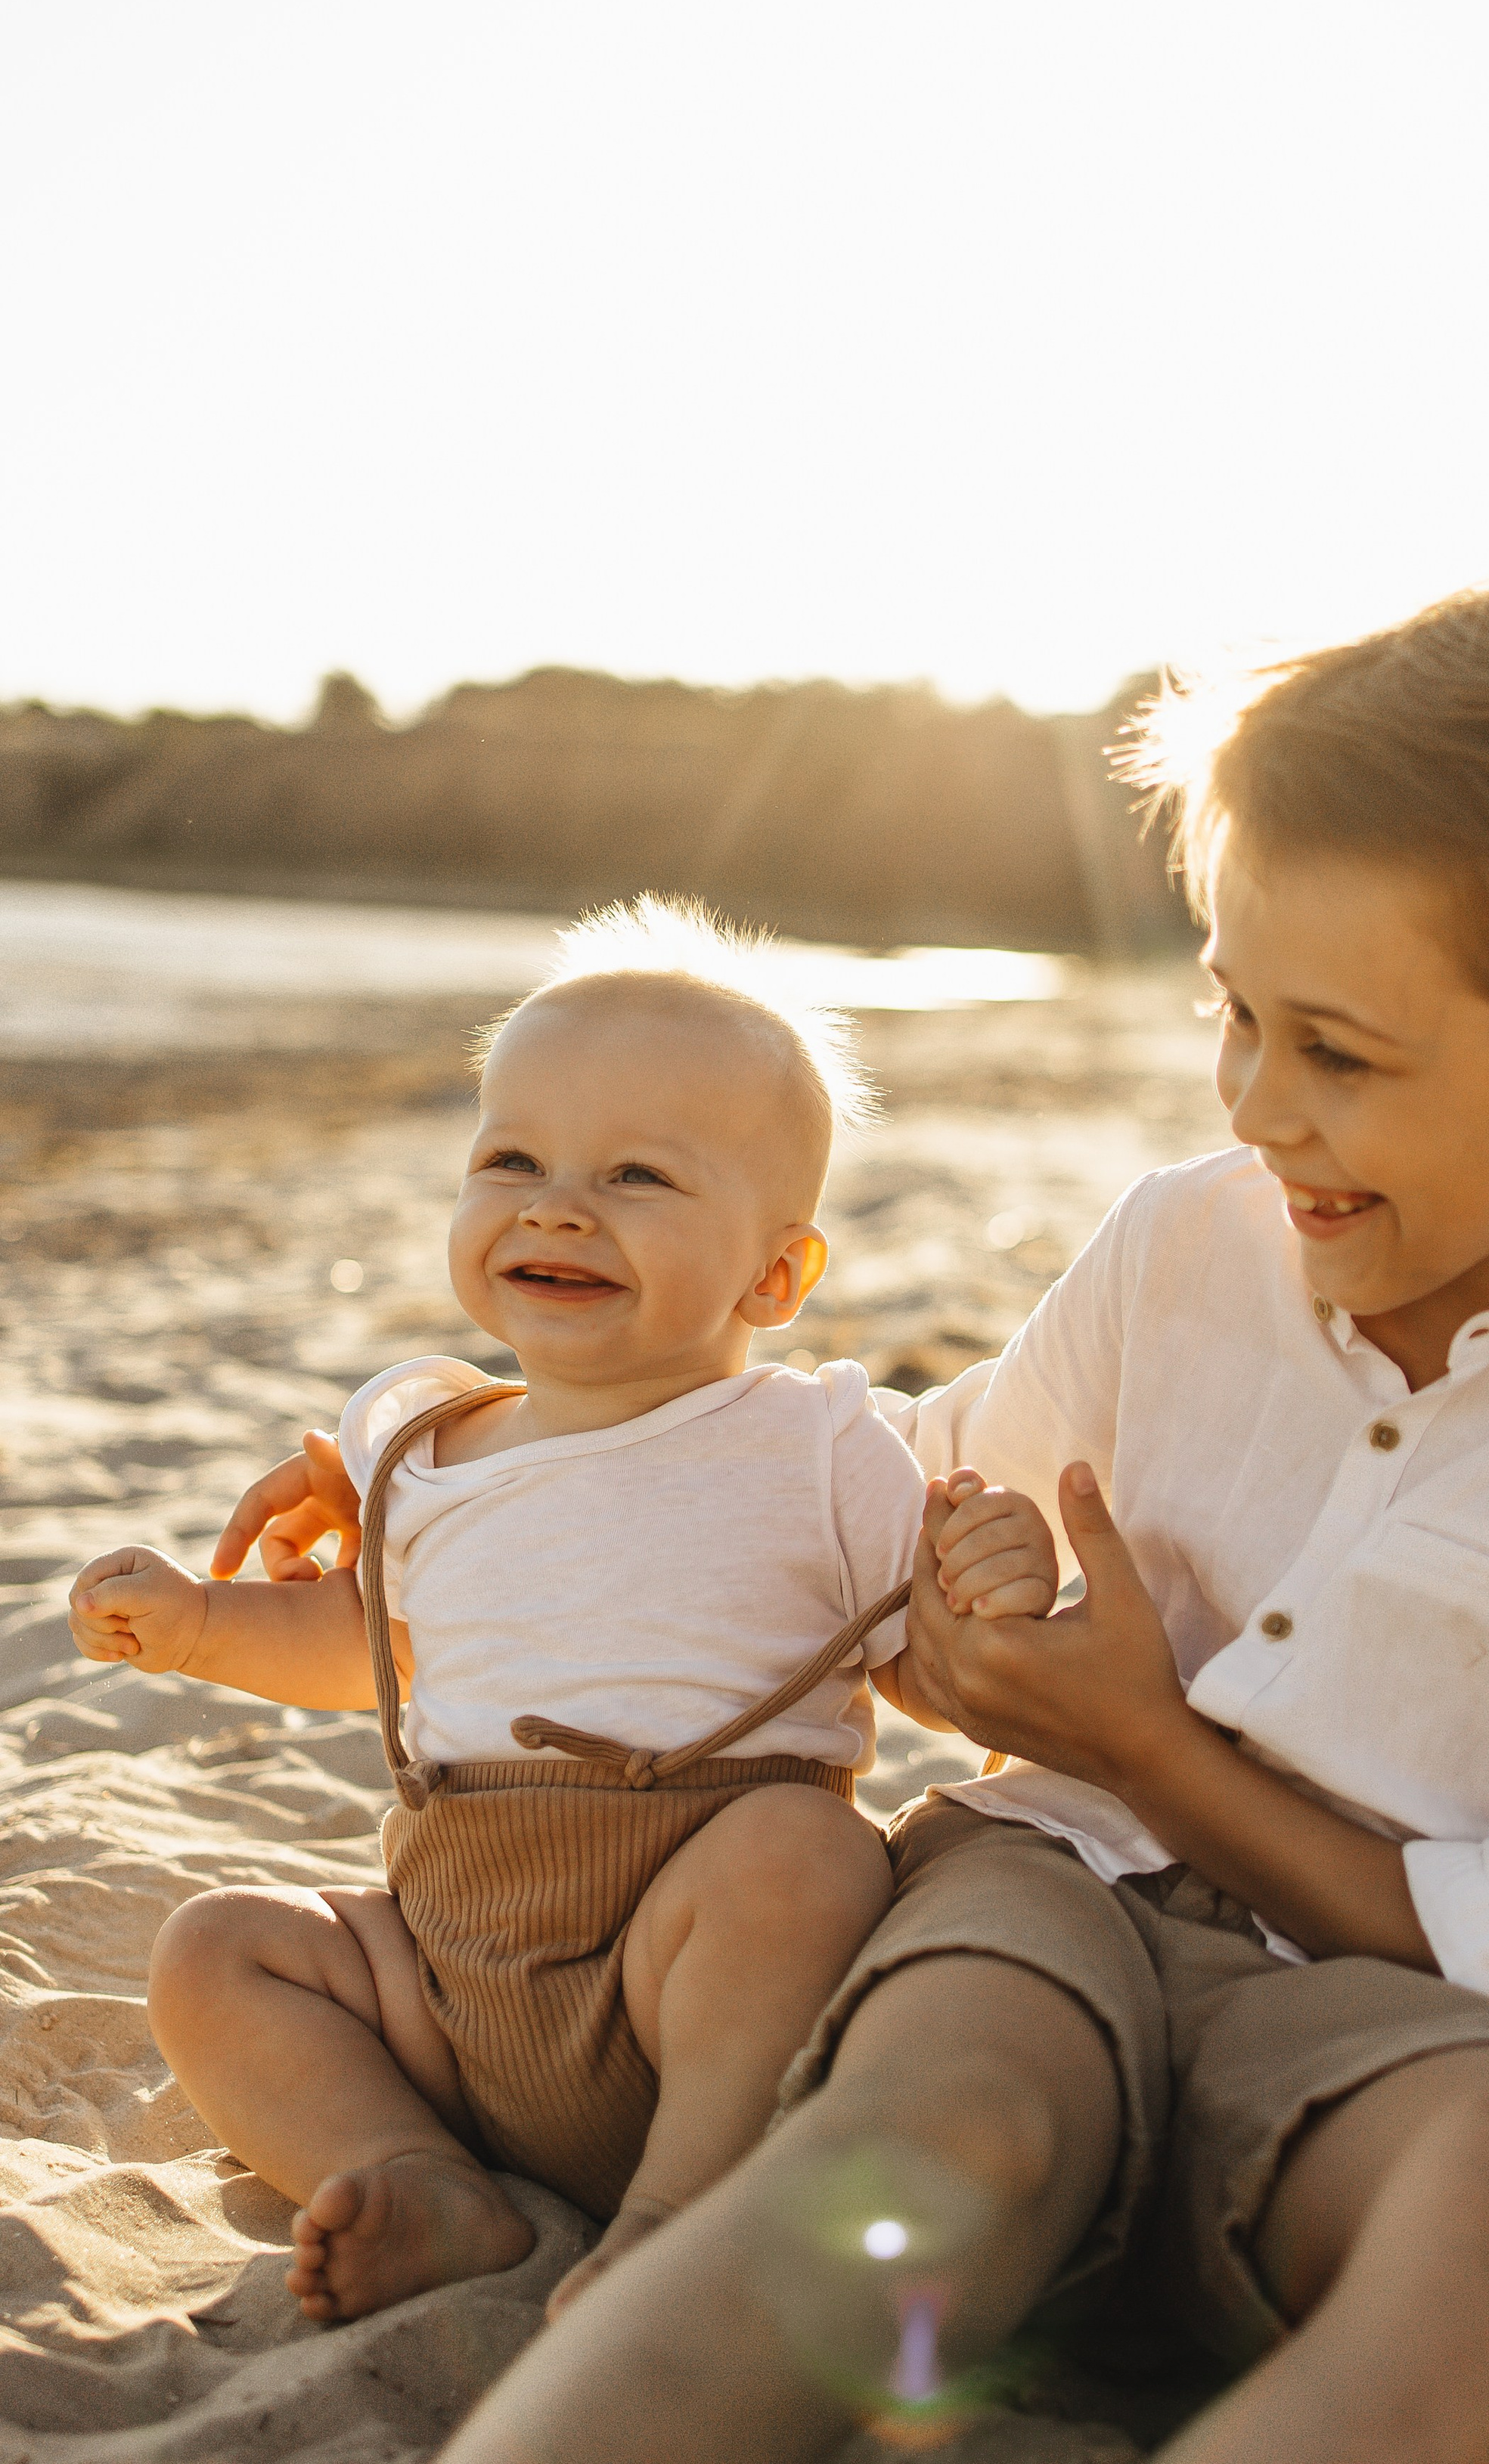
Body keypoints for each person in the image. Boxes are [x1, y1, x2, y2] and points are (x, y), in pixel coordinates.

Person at [410, 587, 1489, 2464]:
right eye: (1232, 1013)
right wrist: (482, 1459)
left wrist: (1152, 1746)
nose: (1255, 1106)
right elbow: (884, 1509)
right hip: (1037, 1903)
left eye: (1337, 1052)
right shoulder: (1186, 1240)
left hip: (1382, 2039)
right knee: (934, 2133)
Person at [66, 902, 1055, 2329]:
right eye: (511, 1160)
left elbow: (932, 1680)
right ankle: (415, 2173)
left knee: (808, 1853)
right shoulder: (423, 1441)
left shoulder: (822, 1445)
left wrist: (989, 1588)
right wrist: (201, 1624)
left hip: (686, 1976)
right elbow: (376, 1650)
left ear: (775, 1275)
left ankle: (672, 2213)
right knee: (217, 1949)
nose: (556, 1207)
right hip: (447, 1971)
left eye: (636, 1174)